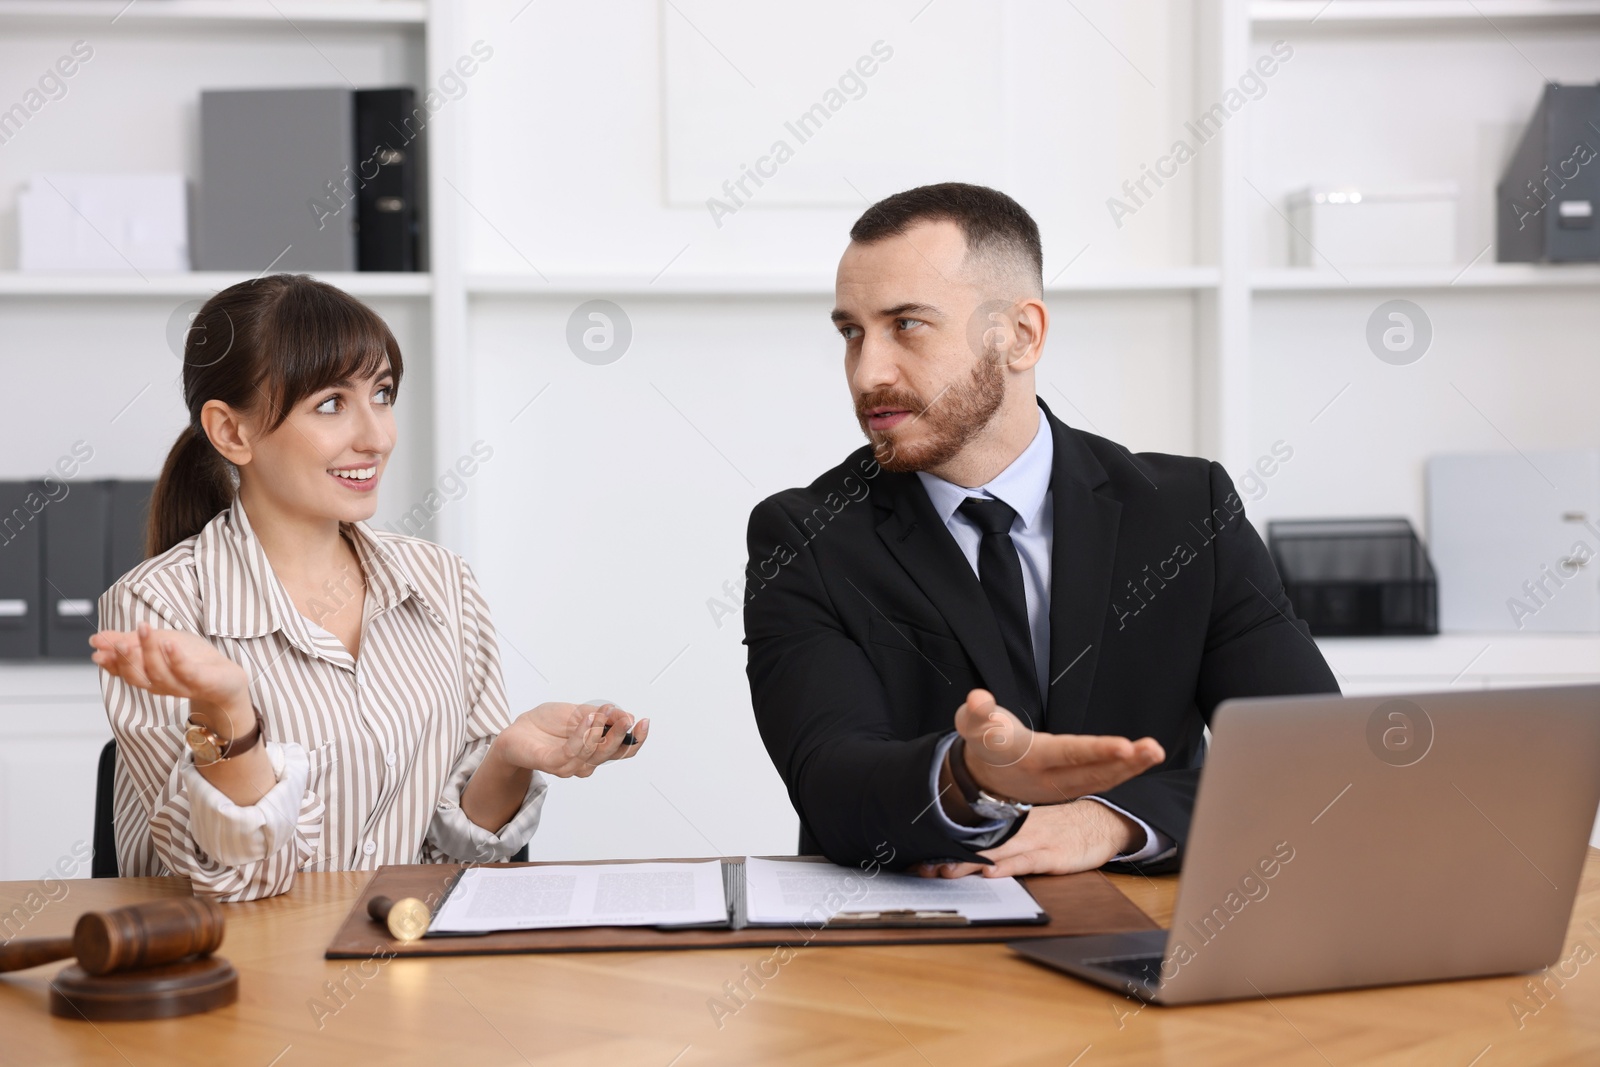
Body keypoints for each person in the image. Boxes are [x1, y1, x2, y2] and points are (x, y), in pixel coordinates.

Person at [743, 183, 1337, 879]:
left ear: (1021, 335)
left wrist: (1113, 820)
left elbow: (1315, 759)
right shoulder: (806, 536)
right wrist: (965, 777)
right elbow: (831, 782)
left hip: (1150, 942)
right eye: (851, 332)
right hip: (918, 963)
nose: (867, 371)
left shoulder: (1185, 512)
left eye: (906, 324)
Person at [91, 274, 648, 901]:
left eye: (381, 394)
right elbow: (235, 881)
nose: (377, 436)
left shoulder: (441, 583)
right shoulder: (157, 607)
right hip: (242, 977)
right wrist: (230, 713)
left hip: (403, 967)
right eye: (331, 404)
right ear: (231, 432)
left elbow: (451, 862)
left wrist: (508, 759)